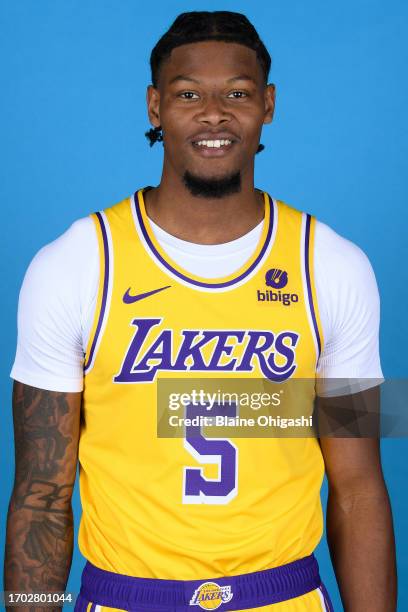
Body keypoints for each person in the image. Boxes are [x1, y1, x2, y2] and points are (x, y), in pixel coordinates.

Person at [5, 10, 397, 612]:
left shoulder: (334, 264)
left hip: (284, 595)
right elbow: (40, 493)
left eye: (236, 94)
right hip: (124, 598)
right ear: (155, 107)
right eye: (189, 94)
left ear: (268, 104)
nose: (214, 113)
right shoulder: (74, 263)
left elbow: (359, 487)